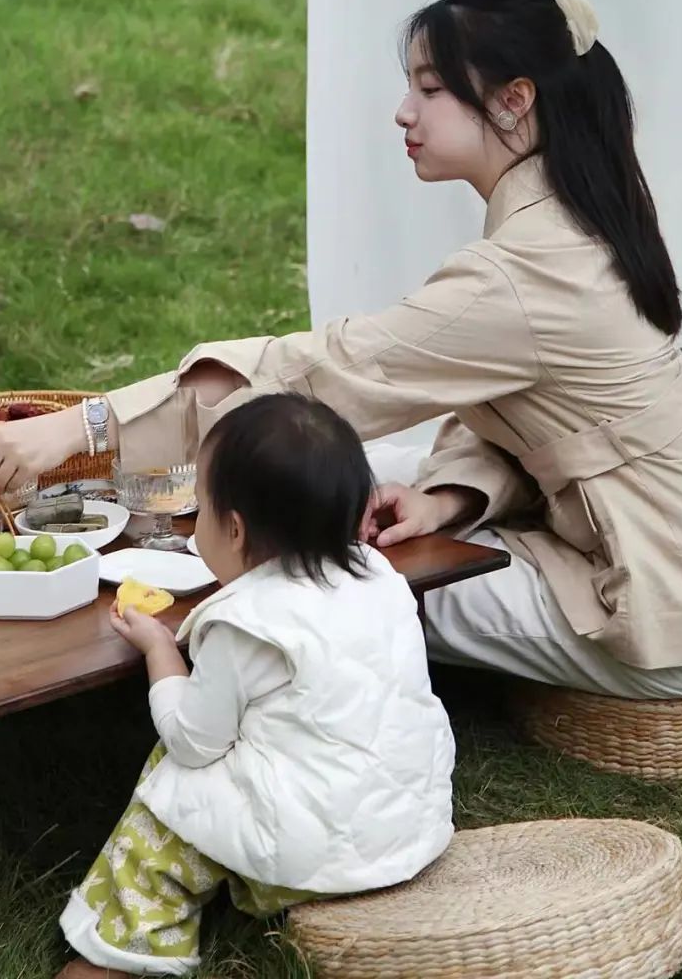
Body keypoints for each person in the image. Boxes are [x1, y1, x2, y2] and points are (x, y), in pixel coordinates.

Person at [0, 0, 682, 700]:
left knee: (315, 564)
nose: (404, 111)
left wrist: (83, 429)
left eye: (430, 88)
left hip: (672, 608)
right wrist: (448, 498)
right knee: (356, 473)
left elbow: (314, 377)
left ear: (514, 100)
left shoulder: (524, 269)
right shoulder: (579, 215)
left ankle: (194, 671)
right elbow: (528, 413)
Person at [54, 394, 456, 978]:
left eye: (201, 506)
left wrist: (162, 652)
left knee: (168, 786)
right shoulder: (378, 575)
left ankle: (125, 949)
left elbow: (194, 743)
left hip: (307, 861)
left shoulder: (246, 623)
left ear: (235, 529)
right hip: (409, 830)